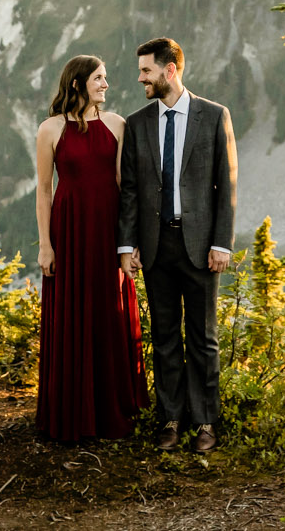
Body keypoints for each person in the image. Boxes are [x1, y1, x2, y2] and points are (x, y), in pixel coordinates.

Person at [117, 36, 238, 453]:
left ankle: (205, 421)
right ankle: (170, 418)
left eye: (146, 71)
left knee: (203, 336)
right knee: (164, 335)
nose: (140, 78)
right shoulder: (137, 124)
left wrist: (222, 242)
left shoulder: (214, 115)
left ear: (170, 71)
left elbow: (227, 187)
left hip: (201, 247)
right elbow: (130, 190)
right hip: (155, 247)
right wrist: (126, 245)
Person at [34, 54, 145, 441]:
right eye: (99, 78)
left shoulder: (117, 124)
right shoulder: (50, 129)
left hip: (107, 232)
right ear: (78, 83)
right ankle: (72, 413)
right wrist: (46, 245)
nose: (106, 84)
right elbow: (44, 190)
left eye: (106, 78)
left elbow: (123, 184)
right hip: (69, 231)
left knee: (109, 313)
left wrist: (129, 244)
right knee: (72, 315)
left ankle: (112, 412)